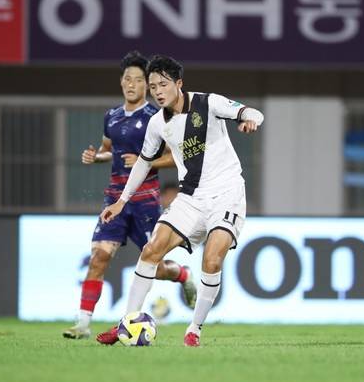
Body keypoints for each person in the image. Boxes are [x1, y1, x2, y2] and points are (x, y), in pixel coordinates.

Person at [99, 55, 264, 347]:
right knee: (151, 250)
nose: (157, 91)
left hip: (226, 194)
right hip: (190, 198)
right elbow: (143, 163)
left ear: (179, 83)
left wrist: (250, 119)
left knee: (212, 259)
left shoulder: (209, 103)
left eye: (163, 85)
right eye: (153, 87)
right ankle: (127, 322)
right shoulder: (156, 123)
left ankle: (194, 329)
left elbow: (252, 112)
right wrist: (122, 201)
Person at [63, 51, 196, 341]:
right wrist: (97, 157)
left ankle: (182, 274)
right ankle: (82, 324)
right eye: (127, 79)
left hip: (146, 200)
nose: (132, 84)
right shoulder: (111, 116)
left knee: (155, 267)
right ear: (121, 82)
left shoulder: (157, 117)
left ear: (146, 85)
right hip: (115, 198)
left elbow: (175, 156)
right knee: (99, 257)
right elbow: (109, 150)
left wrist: (144, 161)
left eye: (138, 80)